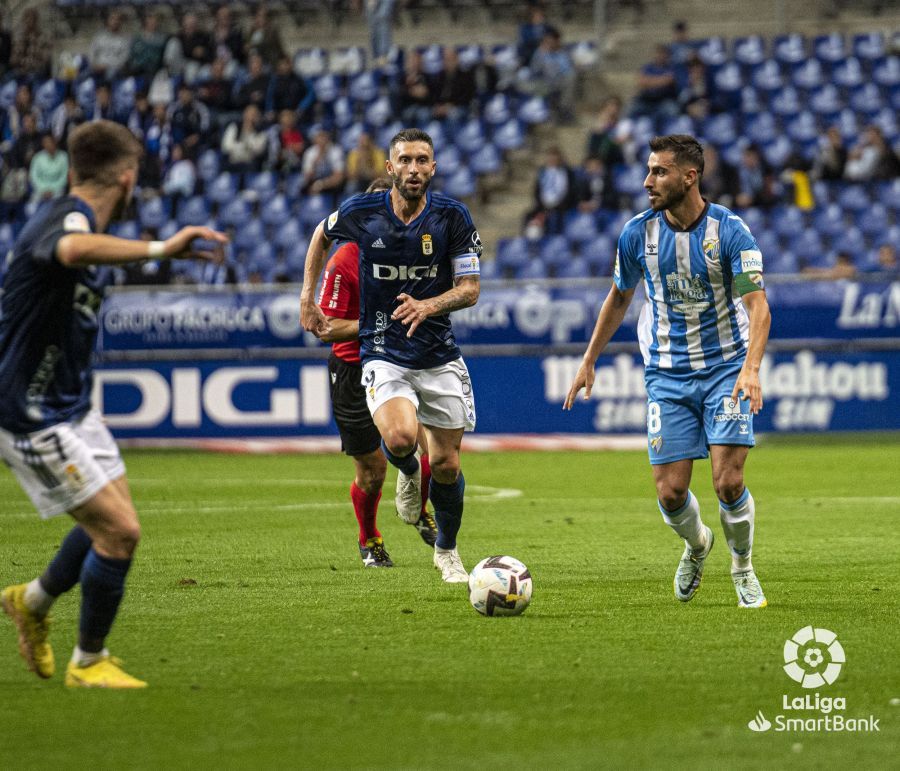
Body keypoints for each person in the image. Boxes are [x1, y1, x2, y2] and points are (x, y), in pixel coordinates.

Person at [0, 120, 228, 688]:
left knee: (112, 519)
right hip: (27, 410)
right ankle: (89, 661)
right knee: (120, 531)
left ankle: (30, 601)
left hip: (70, 404)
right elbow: (71, 248)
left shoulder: (79, 220)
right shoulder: (66, 220)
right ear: (127, 177)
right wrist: (161, 246)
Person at [564, 134, 771, 609]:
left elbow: (758, 308)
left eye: (659, 172)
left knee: (728, 482)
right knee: (671, 491)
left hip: (725, 368)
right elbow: (619, 297)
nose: (647, 181)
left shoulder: (731, 232)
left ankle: (742, 567)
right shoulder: (638, 233)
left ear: (689, 176)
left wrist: (751, 369)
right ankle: (698, 545)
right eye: (649, 170)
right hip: (666, 373)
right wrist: (589, 358)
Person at [300, 128, 482, 583]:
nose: (414, 169)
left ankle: (448, 552)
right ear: (390, 167)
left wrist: (429, 304)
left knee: (446, 463)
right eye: (405, 160)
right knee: (400, 440)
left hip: (438, 352)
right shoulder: (363, 214)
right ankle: (405, 475)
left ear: (433, 167)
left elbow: (470, 290)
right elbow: (320, 235)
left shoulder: (453, 217)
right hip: (383, 350)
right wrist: (306, 295)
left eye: (423, 160)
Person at [316, 177, 437, 567]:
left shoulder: (415, 252)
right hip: (354, 369)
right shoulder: (343, 261)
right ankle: (369, 540)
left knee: (433, 452)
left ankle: (419, 511)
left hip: (403, 361)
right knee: (372, 470)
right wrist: (376, 324)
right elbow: (327, 327)